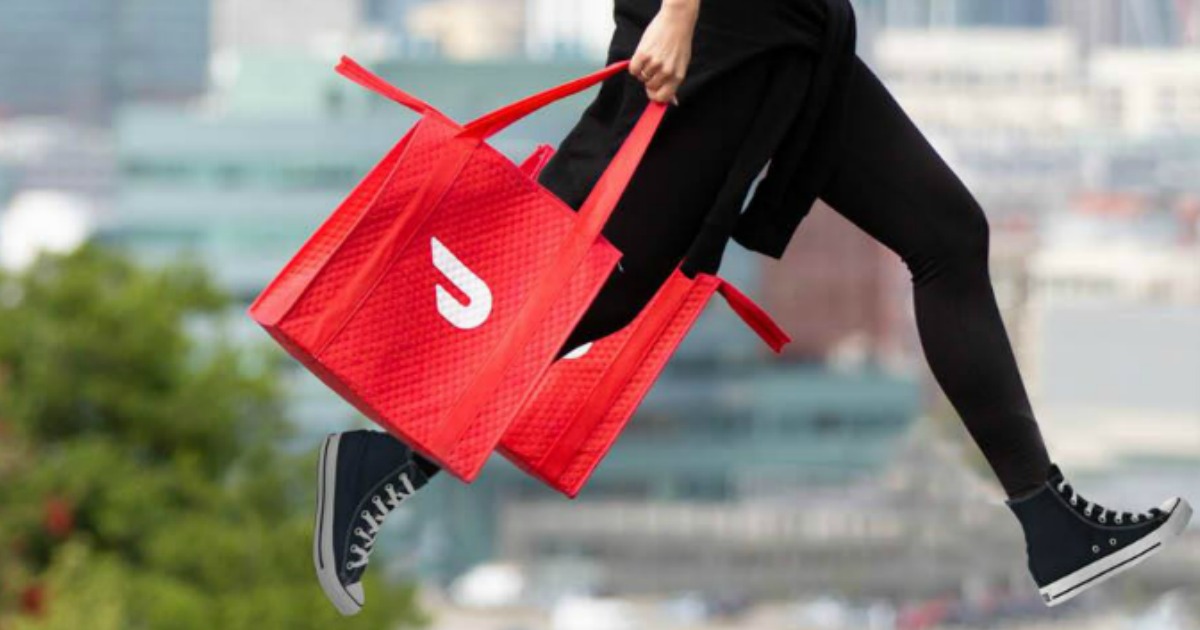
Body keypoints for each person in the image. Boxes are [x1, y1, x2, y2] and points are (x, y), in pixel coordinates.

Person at [312, 0, 1193, 615]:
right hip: (722, 27)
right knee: (597, 276)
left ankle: (1050, 522)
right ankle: (382, 456)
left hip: (789, 27)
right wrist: (683, 9)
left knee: (948, 233)